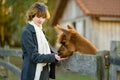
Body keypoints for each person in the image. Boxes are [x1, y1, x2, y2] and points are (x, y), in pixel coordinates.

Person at [20, 2, 67, 80]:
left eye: (43, 17)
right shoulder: (26, 32)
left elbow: (48, 52)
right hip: (31, 73)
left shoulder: (41, 31)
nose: (41, 20)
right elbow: (34, 56)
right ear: (32, 15)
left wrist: (60, 55)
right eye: (38, 16)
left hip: (44, 72)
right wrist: (53, 57)